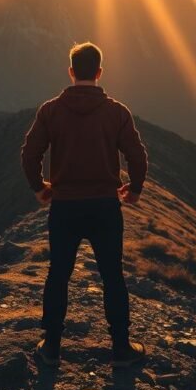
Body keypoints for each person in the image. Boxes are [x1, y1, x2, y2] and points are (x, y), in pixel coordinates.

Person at [20, 41, 149, 367]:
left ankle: (50, 348)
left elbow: (29, 153)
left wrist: (39, 188)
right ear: (100, 72)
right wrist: (134, 190)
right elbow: (137, 156)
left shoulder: (50, 111)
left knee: (58, 275)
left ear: (71, 71)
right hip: (106, 207)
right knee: (113, 276)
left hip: (64, 208)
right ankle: (121, 349)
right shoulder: (117, 113)